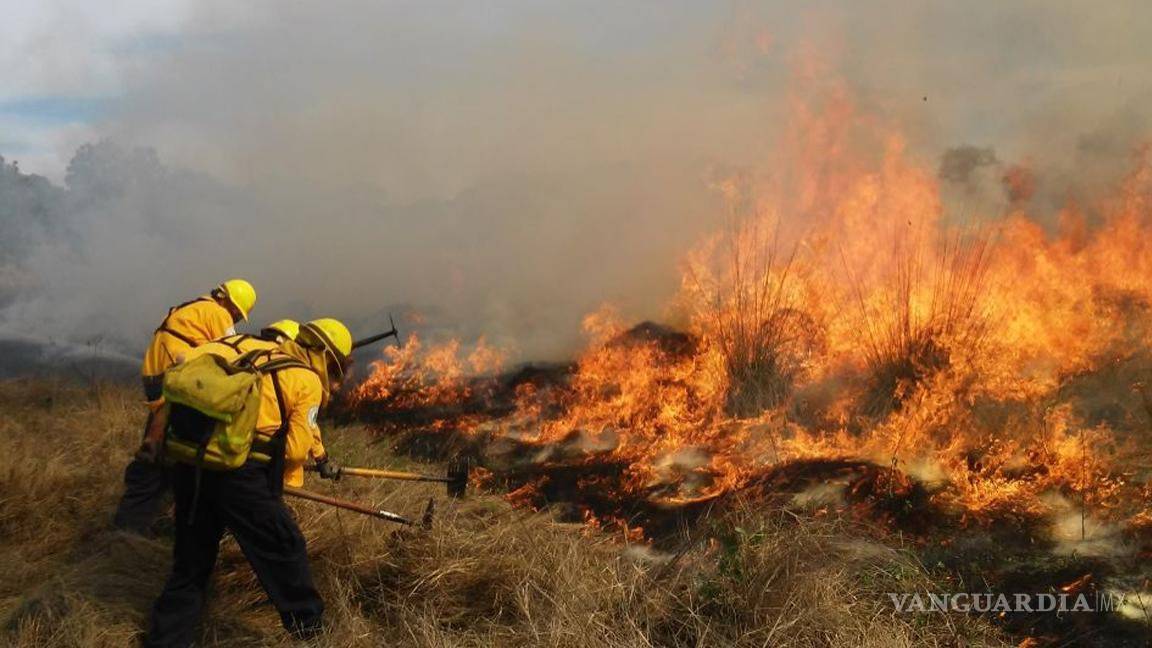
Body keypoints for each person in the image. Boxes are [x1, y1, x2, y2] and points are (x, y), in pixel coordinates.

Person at [143, 318, 353, 647]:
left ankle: (166, 639)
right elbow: (296, 450)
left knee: (191, 563)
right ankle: (311, 632)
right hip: (241, 477)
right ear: (326, 355)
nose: (333, 373)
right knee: (285, 546)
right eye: (335, 366)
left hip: (189, 462)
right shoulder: (305, 378)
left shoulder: (237, 346)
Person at [112, 279, 258, 534]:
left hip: (157, 377)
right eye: (236, 312)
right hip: (176, 382)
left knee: (167, 452)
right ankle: (130, 527)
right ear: (227, 301)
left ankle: (143, 519)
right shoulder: (217, 313)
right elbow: (233, 351)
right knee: (160, 454)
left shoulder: (192, 307)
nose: (234, 317)